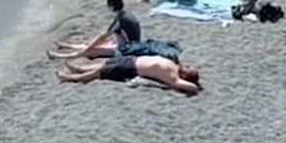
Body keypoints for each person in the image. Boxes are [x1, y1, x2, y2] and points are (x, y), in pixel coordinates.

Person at [47, 0, 142, 59]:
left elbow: (104, 35)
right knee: (93, 46)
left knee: (90, 50)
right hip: (126, 41)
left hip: (126, 47)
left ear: (112, 6)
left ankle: (57, 56)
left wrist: (89, 46)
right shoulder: (125, 13)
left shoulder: (120, 18)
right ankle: (66, 46)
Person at [58, 54, 202, 94]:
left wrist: (195, 86)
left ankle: (73, 78)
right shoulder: (175, 66)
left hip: (132, 69)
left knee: (99, 72)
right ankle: (79, 69)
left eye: (189, 68)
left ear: (185, 76)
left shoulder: (173, 77)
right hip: (133, 60)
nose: (188, 65)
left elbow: (192, 88)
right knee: (104, 64)